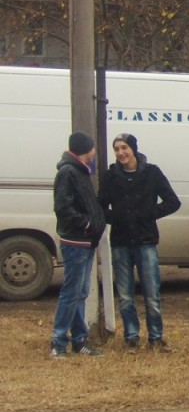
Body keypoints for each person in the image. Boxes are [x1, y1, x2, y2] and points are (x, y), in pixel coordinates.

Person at [98, 134, 181, 352]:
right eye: (116, 149)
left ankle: (156, 338)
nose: (120, 153)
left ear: (133, 149)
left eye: (124, 148)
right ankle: (131, 338)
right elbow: (100, 207)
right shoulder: (110, 176)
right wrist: (116, 217)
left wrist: (150, 214)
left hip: (145, 240)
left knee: (152, 294)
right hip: (121, 241)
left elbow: (173, 202)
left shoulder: (152, 173)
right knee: (125, 296)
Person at [50, 131, 106, 359]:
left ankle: (79, 340)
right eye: (92, 148)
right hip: (76, 240)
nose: (94, 152)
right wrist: (86, 224)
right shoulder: (69, 172)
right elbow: (63, 207)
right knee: (71, 292)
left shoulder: (80, 171)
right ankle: (58, 342)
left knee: (80, 292)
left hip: (85, 241)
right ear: (86, 149)